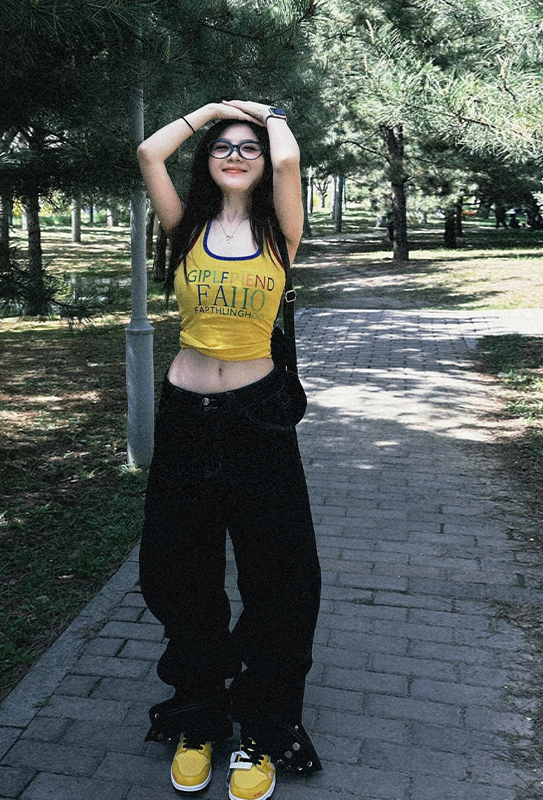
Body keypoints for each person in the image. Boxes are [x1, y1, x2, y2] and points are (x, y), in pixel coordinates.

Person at [136, 100, 322, 800]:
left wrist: (270, 114)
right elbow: (149, 154)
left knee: (279, 575)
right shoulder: (185, 227)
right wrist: (212, 110)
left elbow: (290, 158)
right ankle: (198, 715)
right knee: (179, 570)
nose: (237, 155)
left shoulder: (280, 233)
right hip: (186, 416)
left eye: (249, 147)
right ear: (208, 160)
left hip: (258, 419)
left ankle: (262, 730)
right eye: (224, 146)